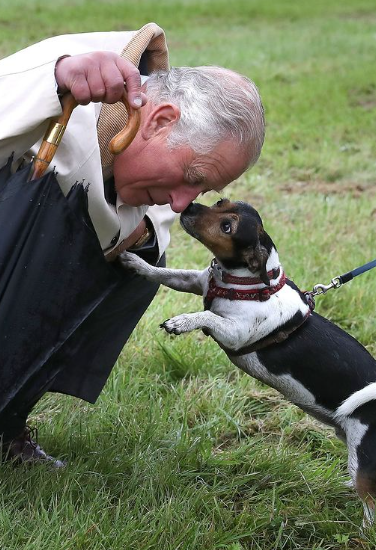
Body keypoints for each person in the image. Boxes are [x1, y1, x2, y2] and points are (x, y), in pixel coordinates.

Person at [0, 23, 265, 466]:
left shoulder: (149, 175)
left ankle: (6, 415)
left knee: (140, 265)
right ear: (160, 122)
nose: (183, 202)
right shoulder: (69, 70)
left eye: (200, 192)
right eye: (192, 178)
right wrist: (53, 80)